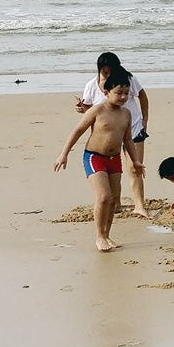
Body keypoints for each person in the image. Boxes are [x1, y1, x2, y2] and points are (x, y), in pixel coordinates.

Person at [54, 67, 136, 252]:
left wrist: (135, 161)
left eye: (126, 93)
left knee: (114, 199)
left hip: (114, 159)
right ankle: (99, 236)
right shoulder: (97, 111)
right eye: (118, 93)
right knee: (103, 196)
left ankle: (107, 235)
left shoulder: (126, 114)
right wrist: (63, 154)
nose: (123, 97)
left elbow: (128, 140)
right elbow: (77, 131)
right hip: (94, 157)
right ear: (106, 92)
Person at [77, 52, 151, 218]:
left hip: (133, 128)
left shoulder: (128, 79)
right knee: (113, 172)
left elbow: (143, 96)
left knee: (135, 166)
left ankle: (139, 205)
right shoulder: (91, 86)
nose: (108, 75)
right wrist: (82, 109)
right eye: (105, 72)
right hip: (112, 136)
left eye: (111, 71)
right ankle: (115, 203)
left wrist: (145, 119)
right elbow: (90, 111)